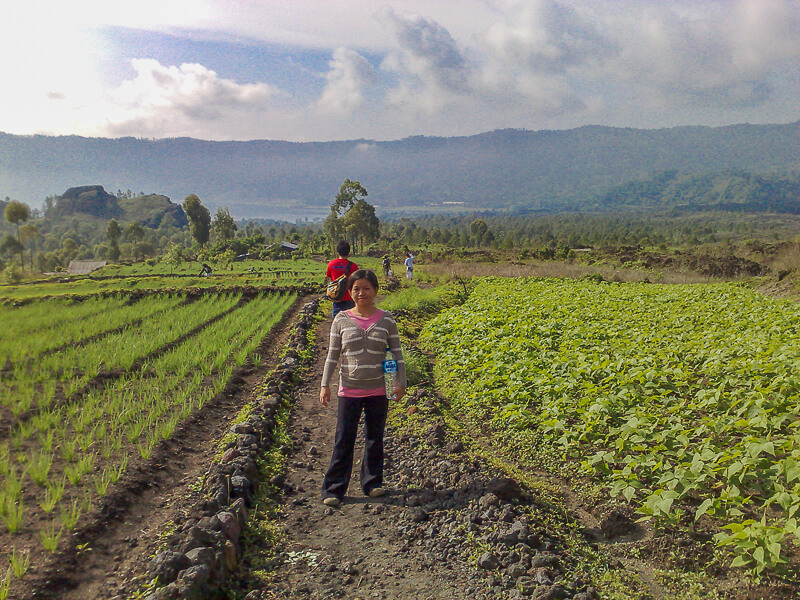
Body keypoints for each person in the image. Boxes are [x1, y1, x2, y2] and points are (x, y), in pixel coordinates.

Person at [319, 269, 406, 507]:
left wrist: (401, 381)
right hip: (349, 389)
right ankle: (334, 489)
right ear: (349, 292)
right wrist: (325, 384)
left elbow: (397, 354)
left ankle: (372, 484)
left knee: (374, 437)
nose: (361, 293)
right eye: (356, 289)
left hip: (378, 388)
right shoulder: (341, 319)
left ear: (375, 291)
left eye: (366, 288)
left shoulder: (386, 319)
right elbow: (332, 355)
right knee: (343, 438)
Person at [325, 240, 359, 315]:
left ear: (337, 251)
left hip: (336, 296)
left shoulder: (331, 264)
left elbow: (330, 277)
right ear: (348, 252)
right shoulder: (353, 266)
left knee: (337, 319)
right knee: (350, 319)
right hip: (350, 296)